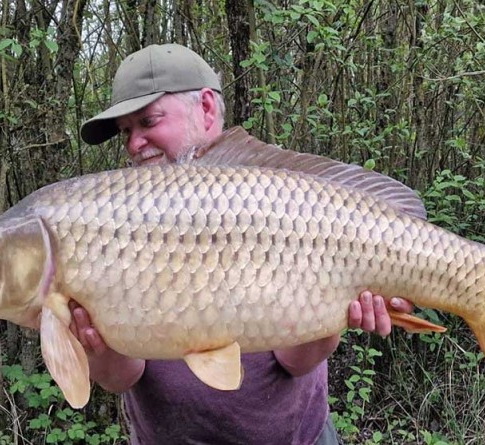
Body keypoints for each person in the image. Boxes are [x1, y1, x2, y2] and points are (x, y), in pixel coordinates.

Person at [75, 43, 417, 445]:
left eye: (148, 121)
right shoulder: (117, 224)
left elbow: (295, 363)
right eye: (126, 132)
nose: (135, 143)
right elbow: (121, 377)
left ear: (206, 109)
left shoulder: (274, 199)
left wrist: (334, 315)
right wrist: (95, 346)